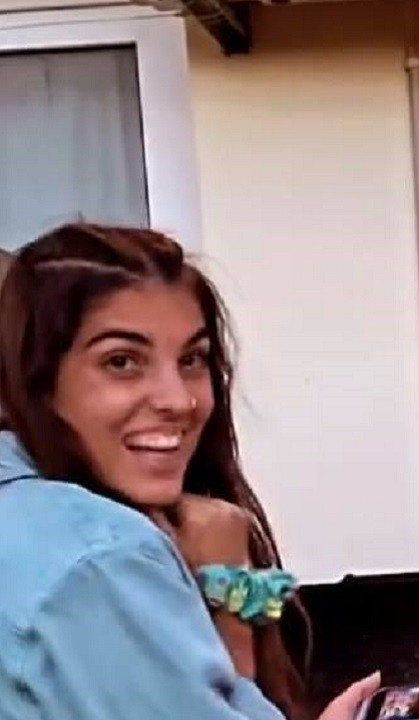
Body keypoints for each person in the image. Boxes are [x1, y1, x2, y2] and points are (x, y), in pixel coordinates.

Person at [0, 223, 380, 719]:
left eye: (192, 359)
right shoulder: (100, 559)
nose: (180, 401)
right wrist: (230, 589)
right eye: (121, 361)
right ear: (35, 379)